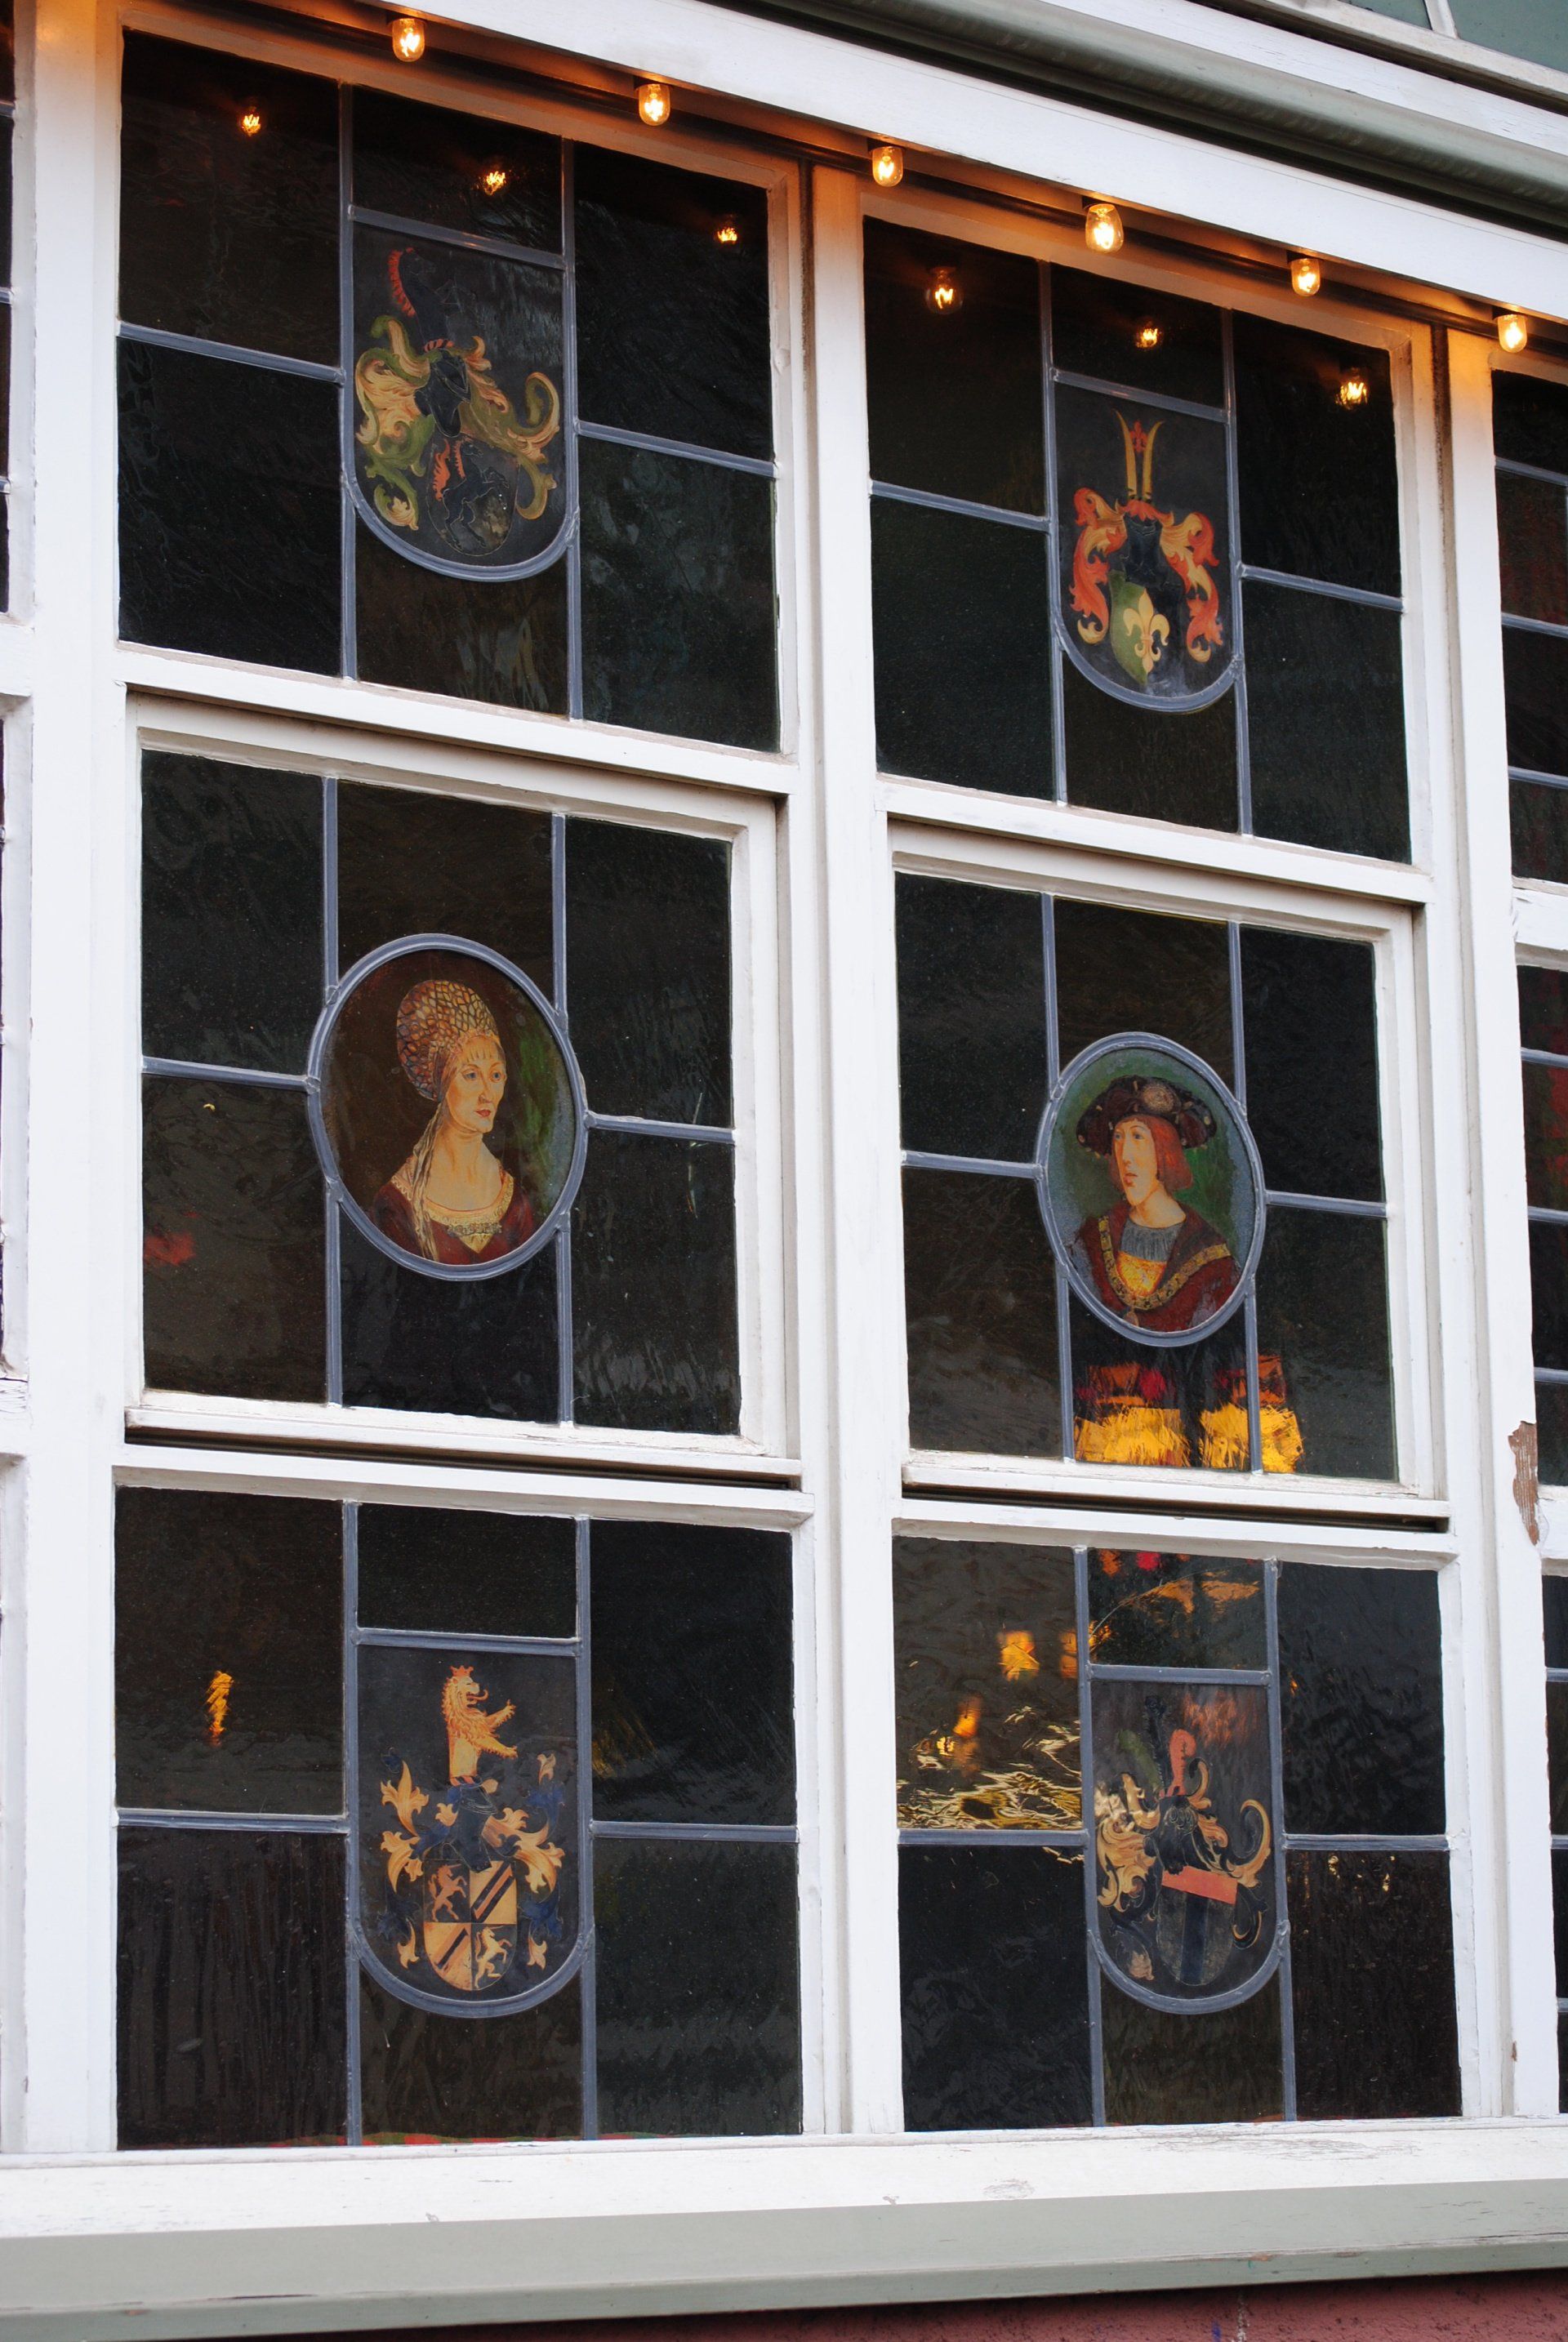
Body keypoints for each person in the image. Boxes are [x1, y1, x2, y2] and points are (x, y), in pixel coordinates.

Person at [372, 977, 536, 1265]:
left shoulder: (514, 1200)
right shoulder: (398, 1205)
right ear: (443, 1083)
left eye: (496, 1076)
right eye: (471, 1075)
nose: (487, 1093)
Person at [1067, 1073, 1238, 1337]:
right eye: (1118, 1139)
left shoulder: (1212, 1258)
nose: (1125, 1157)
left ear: (1165, 1149)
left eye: (1138, 1138)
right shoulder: (1090, 1240)